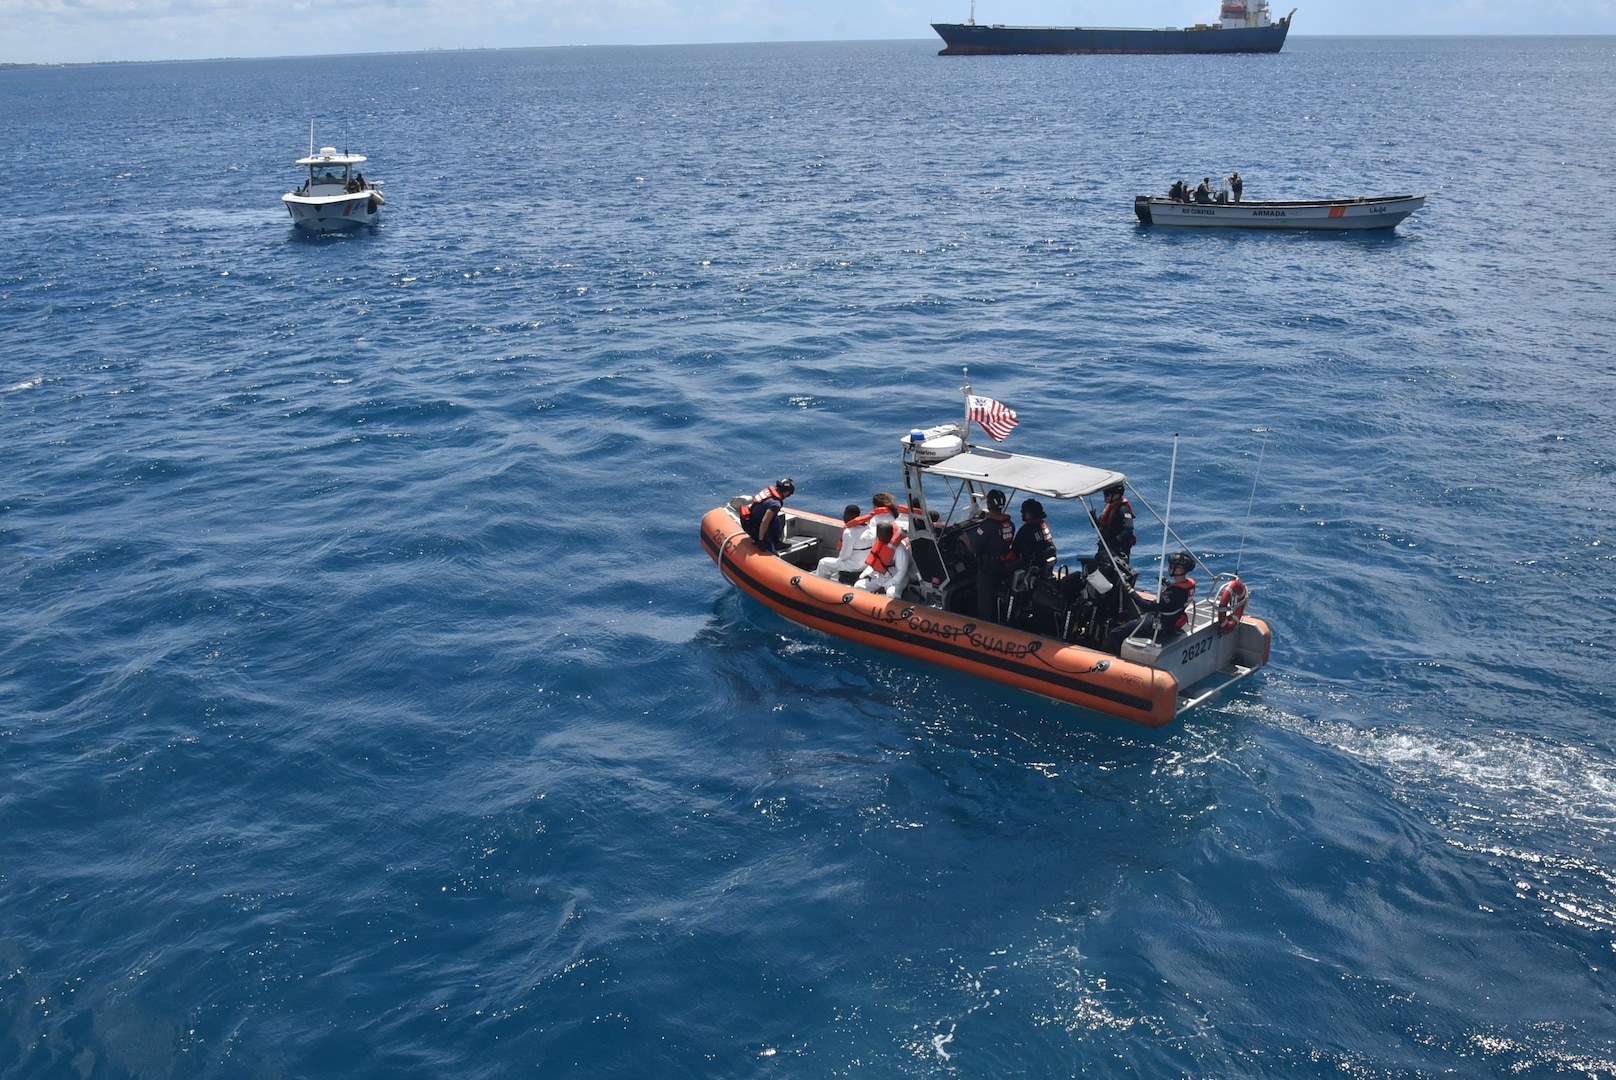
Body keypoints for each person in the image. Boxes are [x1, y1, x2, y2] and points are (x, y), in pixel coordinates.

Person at [1106, 551, 1198, 654]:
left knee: (1115, 633)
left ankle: (1118, 657)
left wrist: (1130, 591)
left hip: (1159, 625)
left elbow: (1147, 607)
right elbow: (1177, 596)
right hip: (1172, 622)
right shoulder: (1189, 586)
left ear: (1180, 569)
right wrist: (1167, 583)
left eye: (1172, 566)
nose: (1169, 568)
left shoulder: (1173, 594)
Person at [960, 488, 1015, 620]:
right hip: (1003, 565)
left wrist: (965, 541)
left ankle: (984, 624)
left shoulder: (987, 526)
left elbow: (975, 549)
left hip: (988, 568)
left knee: (984, 598)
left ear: (989, 505)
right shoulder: (1010, 524)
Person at [855, 520, 913, 597]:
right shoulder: (879, 543)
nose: (880, 537)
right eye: (879, 534)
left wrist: (885, 586)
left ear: (890, 534)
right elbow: (874, 563)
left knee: (891, 593)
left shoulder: (899, 550)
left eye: (883, 535)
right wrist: (863, 576)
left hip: (897, 579)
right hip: (880, 577)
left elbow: (901, 572)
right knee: (858, 585)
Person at [814, 503, 870, 580]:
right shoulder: (869, 528)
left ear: (849, 515)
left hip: (853, 566)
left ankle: (820, 585)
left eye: (845, 514)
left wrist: (838, 560)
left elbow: (845, 555)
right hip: (866, 564)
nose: (843, 516)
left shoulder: (849, 532)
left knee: (823, 563)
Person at [739, 477, 794, 555]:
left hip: (753, 517)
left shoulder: (769, 492)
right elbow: (765, 521)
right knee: (770, 550)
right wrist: (760, 539)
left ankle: (776, 542)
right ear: (786, 492)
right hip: (754, 525)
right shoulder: (775, 504)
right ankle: (769, 546)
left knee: (776, 519)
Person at [1010, 498, 1057, 581]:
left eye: (1024, 511)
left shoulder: (1026, 530)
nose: (1022, 513)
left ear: (1031, 513)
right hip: (1042, 566)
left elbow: (1015, 551)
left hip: (1031, 569)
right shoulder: (1043, 526)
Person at [1093, 483, 1136, 564]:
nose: (1105, 496)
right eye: (1104, 494)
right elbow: (1101, 527)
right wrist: (1094, 518)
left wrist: (1114, 543)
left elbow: (1128, 530)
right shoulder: (1109, 509)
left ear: (1116, 495)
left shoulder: (1123, 510)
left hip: (1118, 551)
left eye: (1107, 494)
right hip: (1105, 548)